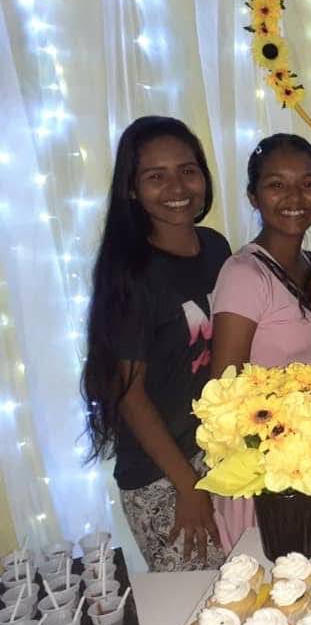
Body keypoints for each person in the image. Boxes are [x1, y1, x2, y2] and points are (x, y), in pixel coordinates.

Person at [81, 116, 230, 571]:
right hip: (162, 475)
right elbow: (130, 396)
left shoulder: (216, 248)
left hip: (216, 456)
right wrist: (188, 485)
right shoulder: (133, 274)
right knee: (203, 600)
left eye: (187, 170)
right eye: (155, 176)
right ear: (131, 189)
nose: (176, 187)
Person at [210, 133, 311, 551]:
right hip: (263, 473)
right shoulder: (244, 274)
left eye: (308, 183)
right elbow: (224, 391)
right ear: (253, 195)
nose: (294, 197)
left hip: (309, 459)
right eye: (276, 184)